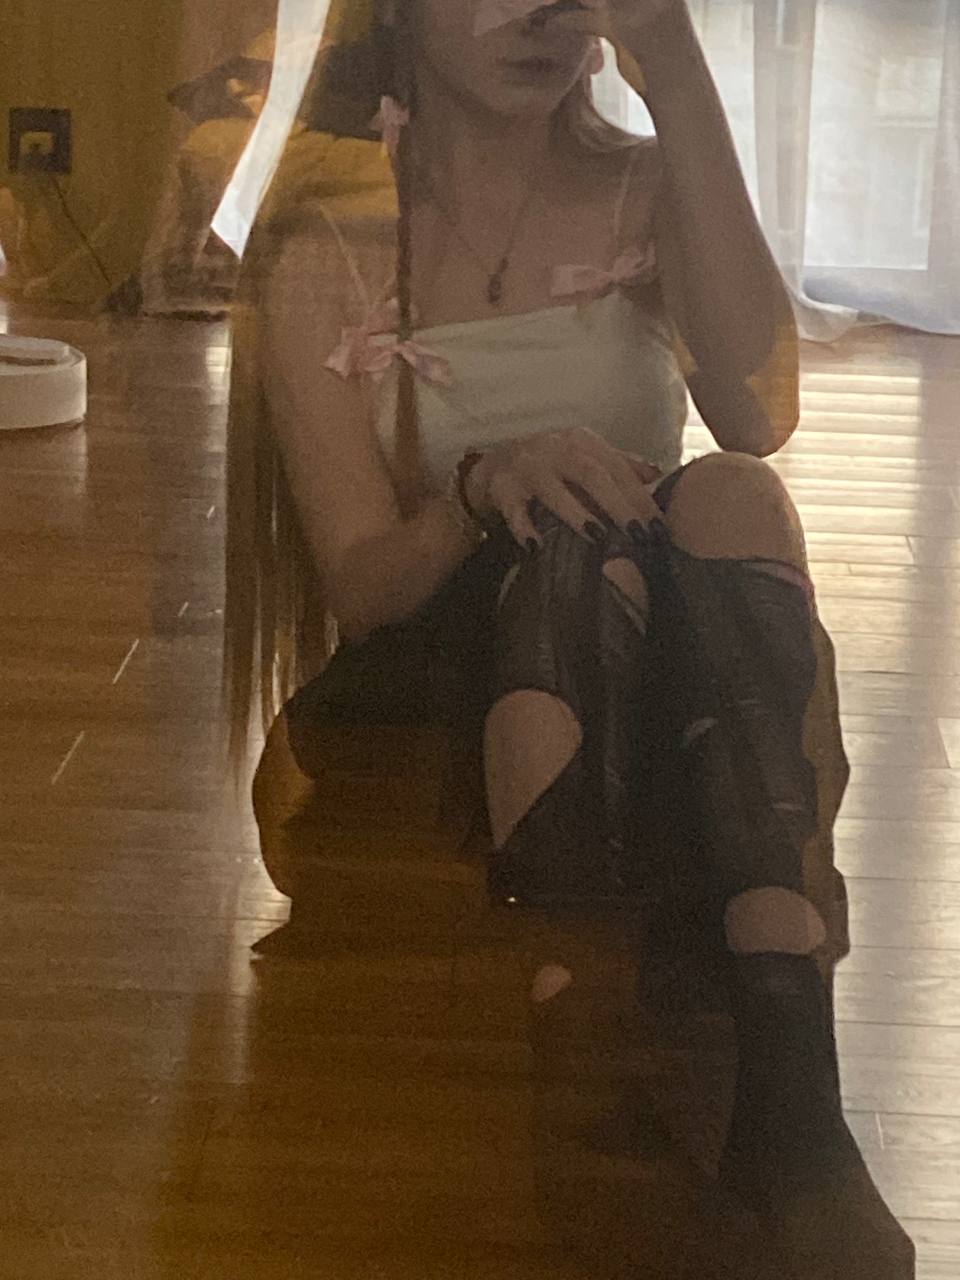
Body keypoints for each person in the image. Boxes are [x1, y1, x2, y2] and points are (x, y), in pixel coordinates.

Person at [220, 1, 915, 1275]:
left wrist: (678, 68)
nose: (542, 8)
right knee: (569, 539)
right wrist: (484, 485)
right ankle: (602, 1063)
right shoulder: (332, 241)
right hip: (436, 696)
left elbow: (757, 411)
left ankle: (783, 1060)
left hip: (651, 678)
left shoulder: (643, 191)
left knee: (733, 491)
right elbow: (365, 584)